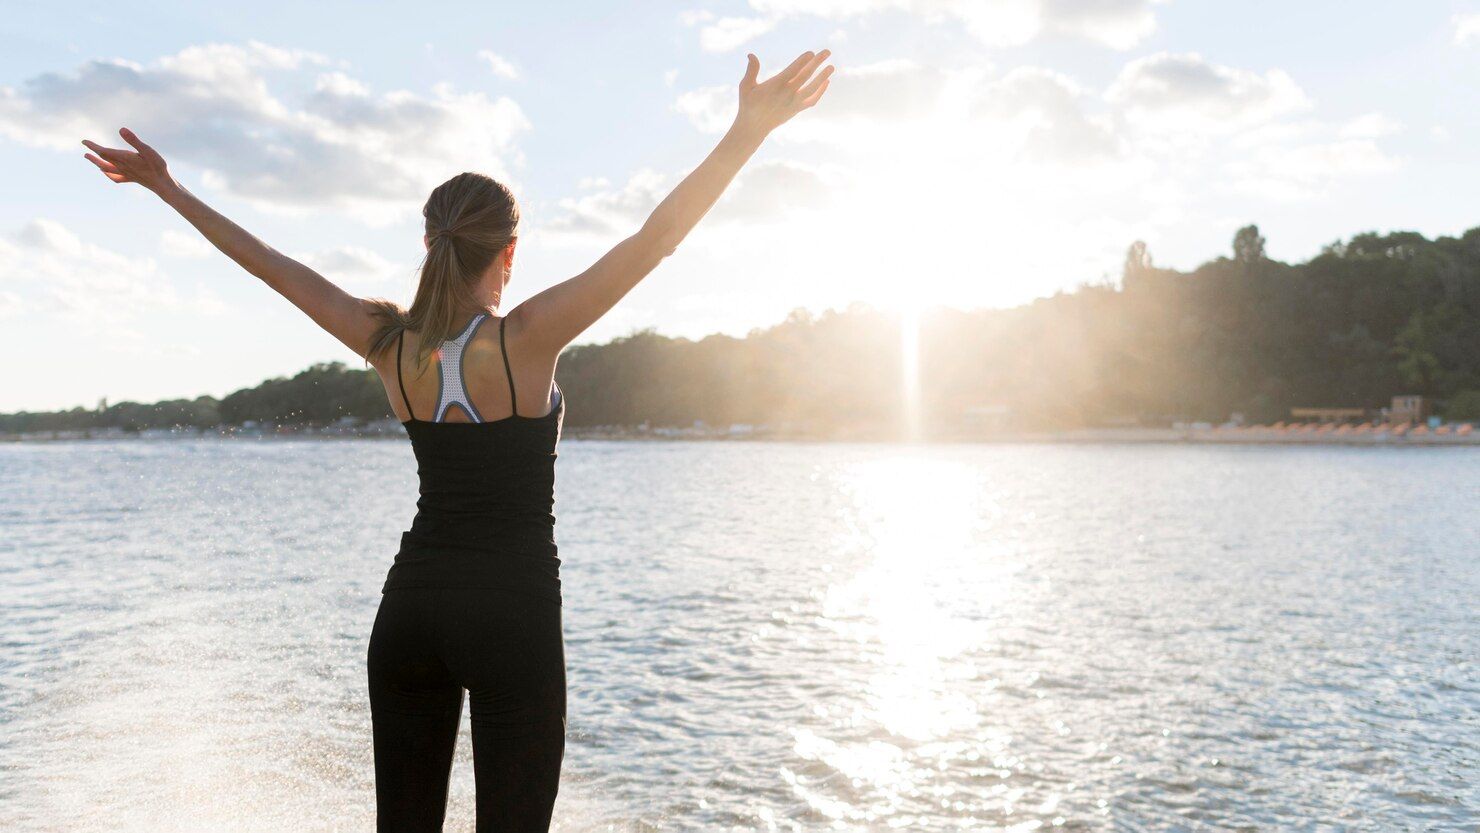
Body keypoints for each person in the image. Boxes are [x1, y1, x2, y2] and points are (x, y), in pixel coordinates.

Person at [81, 48, 834, 832]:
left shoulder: (388, 344)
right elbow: (658, 239)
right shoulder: (528, 339)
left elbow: (273, 267)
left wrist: (167, 189)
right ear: (507, 253)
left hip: (410, 612)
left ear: (432, 243)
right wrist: (748, 132)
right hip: (512, 617)